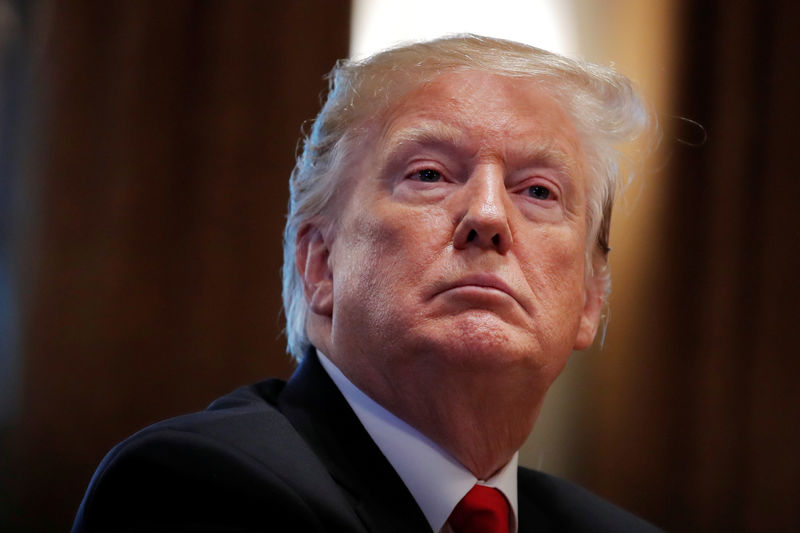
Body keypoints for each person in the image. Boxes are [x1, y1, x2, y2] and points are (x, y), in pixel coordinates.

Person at [72, 35, 660, 532]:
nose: (487, 215)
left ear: (589, 299)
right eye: (428, 174)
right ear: (321, 265)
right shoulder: (198, 486)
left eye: (538, 191)